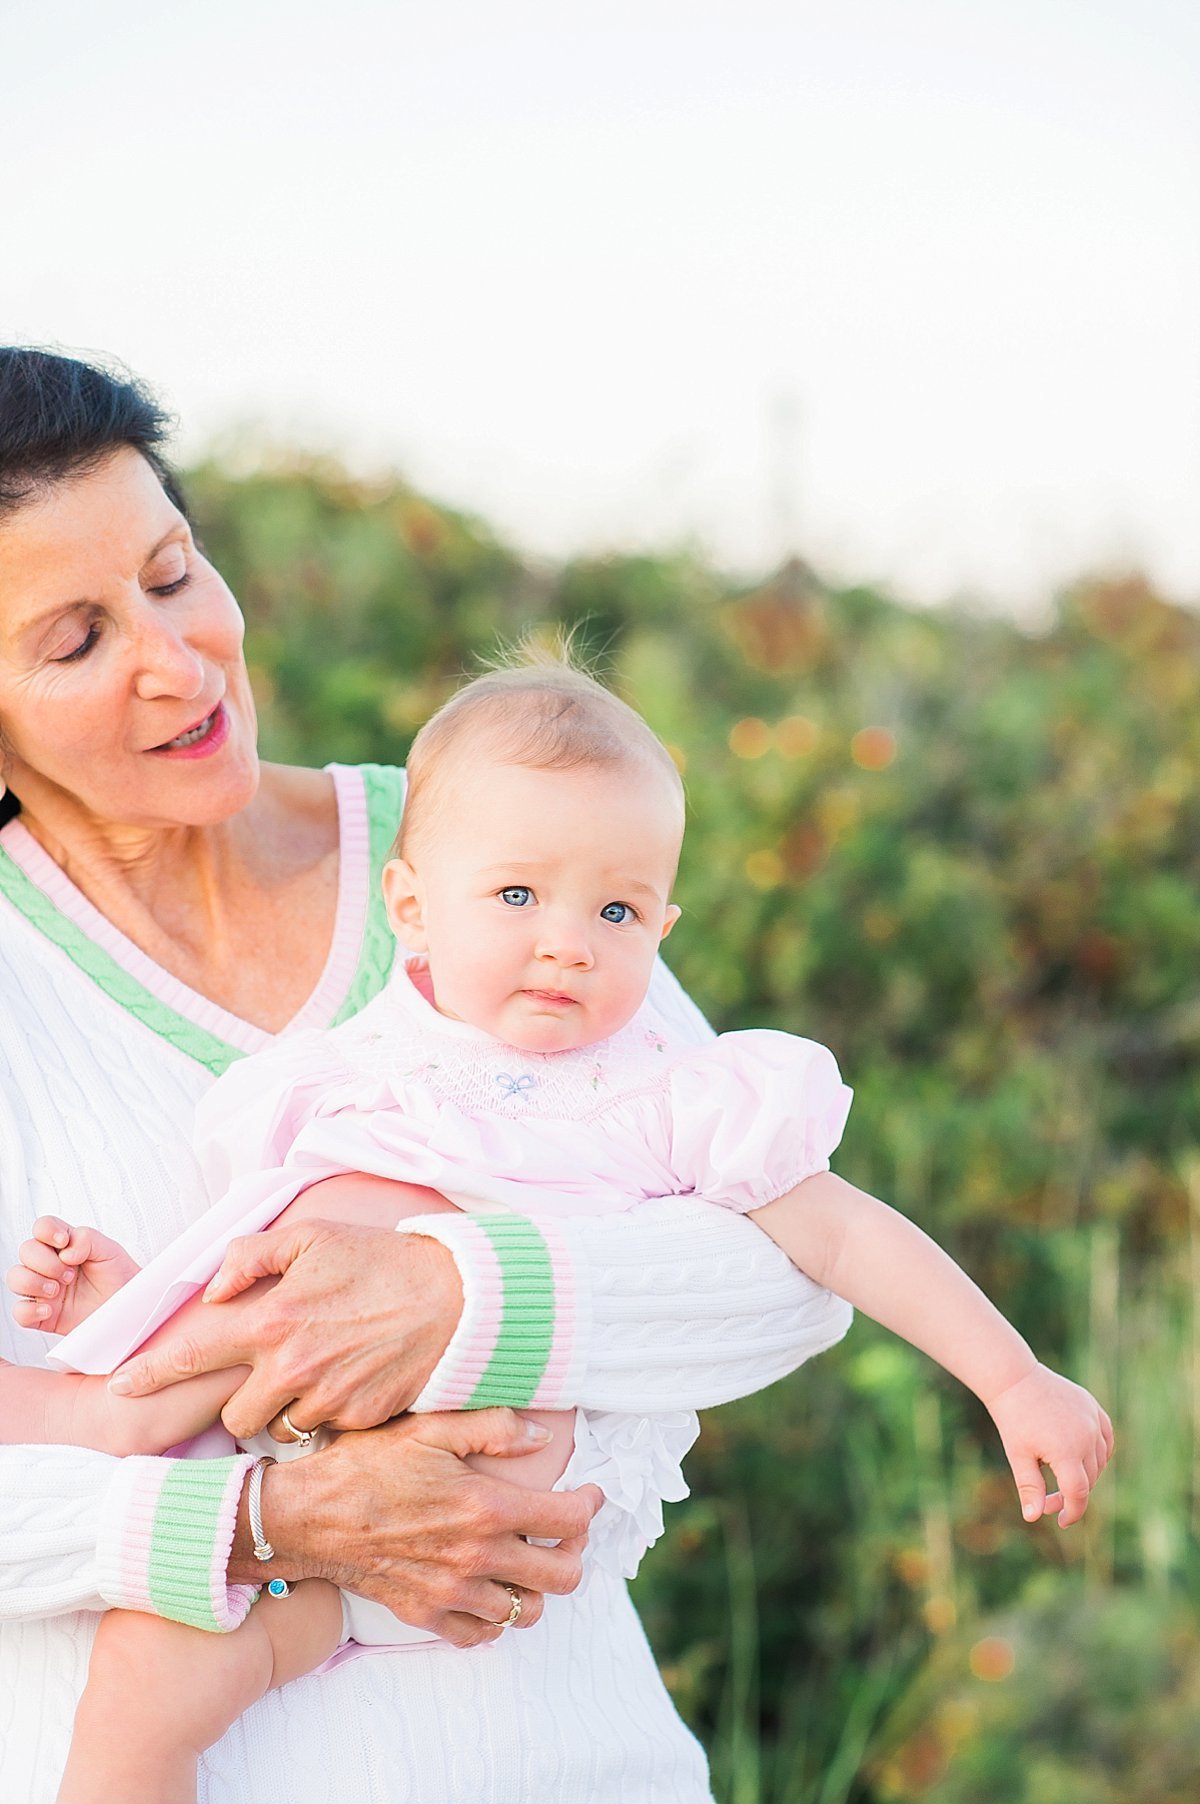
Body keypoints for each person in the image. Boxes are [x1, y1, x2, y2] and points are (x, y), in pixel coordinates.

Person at [7, 655, 1112, 1801]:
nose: (569, 942)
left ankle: (106, 1407)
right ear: (412, 909)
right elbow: (261, 1255)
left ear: (665, 924)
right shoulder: (352, 1076)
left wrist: (1013, 1377)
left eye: (619, 909)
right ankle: (118, 1384)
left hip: (473, 1533)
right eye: (519, 896)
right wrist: (143, 1287)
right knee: (140, 1696)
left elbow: (839, 1243)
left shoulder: (660, 1094)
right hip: (303, 1519)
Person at [0, 347, 861, 1804]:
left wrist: (468, 1298)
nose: (176, 657)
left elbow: (788, 1268)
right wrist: (272, 1519)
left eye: (170, 572)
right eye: (74, 640)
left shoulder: (496, 859)